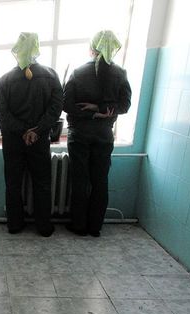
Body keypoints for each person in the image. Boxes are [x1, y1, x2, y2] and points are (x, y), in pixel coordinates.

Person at [63, 30, 131, 237]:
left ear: (92, 48)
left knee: (80, 180)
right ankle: (95, 227)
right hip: (104, 135)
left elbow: (66, 105)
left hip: (80, 134)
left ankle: (79, 225)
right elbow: (125, 106)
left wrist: (93, 111)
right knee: (100, 181)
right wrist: (102, 109)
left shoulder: (78, 73)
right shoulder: (120, 74)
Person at [0, 32, 63, 237]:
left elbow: (2, 112)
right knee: (42, 183)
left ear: (17, 50)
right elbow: (56, 108)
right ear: (37, 49)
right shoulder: (51, 76)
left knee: (13, 183)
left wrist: (22, 131)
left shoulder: (5, 79)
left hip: (13, 141)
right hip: (39, 140)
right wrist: (37, 130)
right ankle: (44, 226)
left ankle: (15, 225)